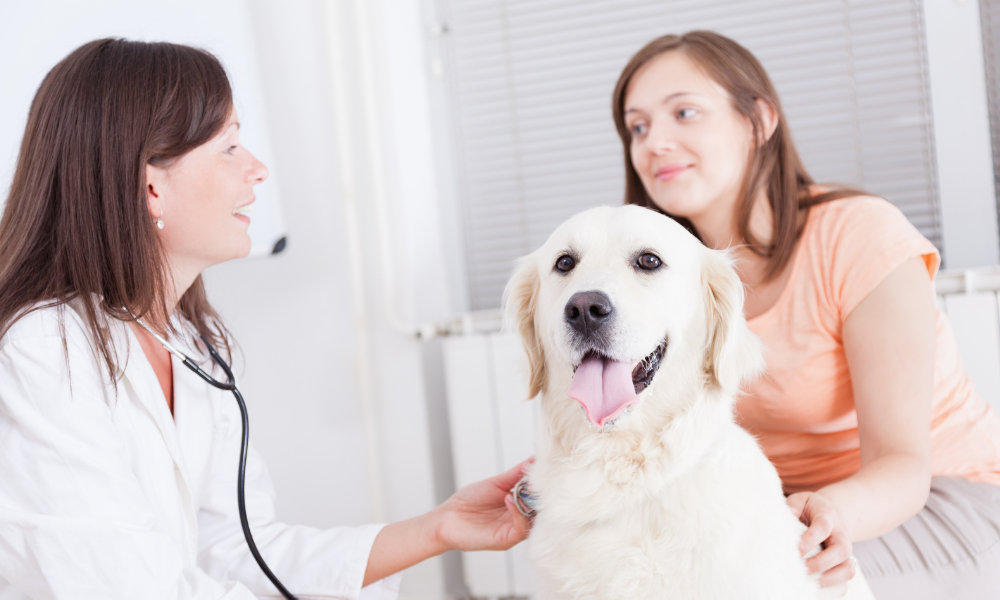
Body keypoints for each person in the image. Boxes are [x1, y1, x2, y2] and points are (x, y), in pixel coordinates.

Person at [0, 38, 530, 599]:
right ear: (151, 185)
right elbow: (122, 587)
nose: (257, 169)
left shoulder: (191, 344)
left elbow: (241, 553)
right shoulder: (44, 347)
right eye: (229, 148)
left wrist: (437, 528)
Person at [611, 31, 1000, 598]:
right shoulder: (658, 282)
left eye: (684, 113)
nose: (654, 143)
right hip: (772, 506)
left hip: (940, 499)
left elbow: (903, 465)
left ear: (759, 121)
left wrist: (816, 516)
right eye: (638, 126)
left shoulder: (860, 235)